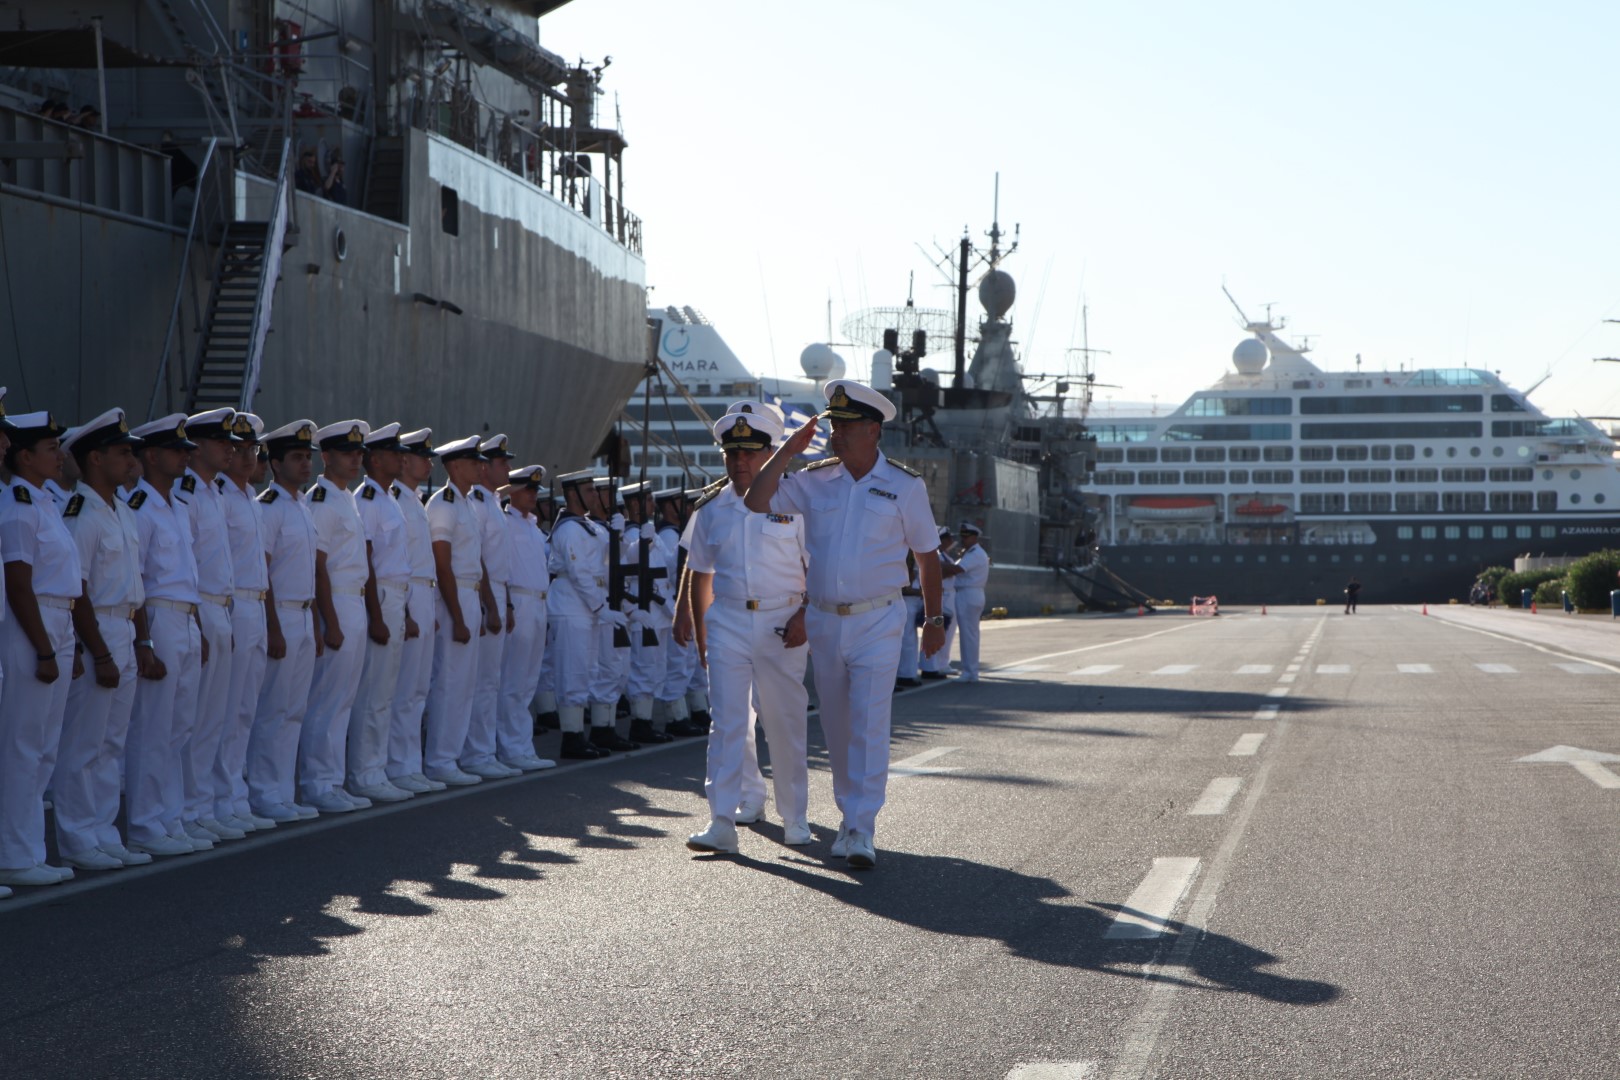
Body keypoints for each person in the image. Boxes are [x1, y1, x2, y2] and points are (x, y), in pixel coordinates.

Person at [744, 379, 944, 869]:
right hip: (826, 621)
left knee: (869, 725)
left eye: (846, 426)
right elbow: (755, 499)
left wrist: (935, 619)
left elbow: (927, 556)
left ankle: (860, 827)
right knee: (836, 727)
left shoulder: (904, 486)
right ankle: (847, 816)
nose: (836, 433)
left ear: (873, 430)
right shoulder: (813, 480)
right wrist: (787, 451)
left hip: (879, 618)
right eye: (833, 424)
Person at [677, 408, 811, 855]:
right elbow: (700, 573)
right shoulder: (711, 510)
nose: (739, 462)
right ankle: (721, 820)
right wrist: (701, 637)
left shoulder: (795, 501)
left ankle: (795, 818)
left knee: (783, 721)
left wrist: (805, 616)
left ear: (771, 454)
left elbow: (819, 567)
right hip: (729, 621)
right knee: (728, 723)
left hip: (781, 621)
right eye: (732, 453)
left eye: (750, 453)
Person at [53, 410, 149, 871]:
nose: (131, 460)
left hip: (124, 626)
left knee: (111, 743)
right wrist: (101, 652)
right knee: (83, 744)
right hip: (99, 633)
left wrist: (137, 641)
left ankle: (102, 831)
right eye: (122, 452)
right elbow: (79, 590)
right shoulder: (81, 513)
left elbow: (136, 582)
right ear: (95, 458)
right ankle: (77, 838)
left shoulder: (121, 511)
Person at [0, 410, 84, 886]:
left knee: (43, 749)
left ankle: (30, 850)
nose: (60, 455)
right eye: (51, 448)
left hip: (58, 619)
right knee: (21, 747)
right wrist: (45, 650)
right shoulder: (16, 506)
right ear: (25, 455)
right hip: (32, 625)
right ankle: (13, 853)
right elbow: (18, 584)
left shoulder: (44, 502)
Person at [124, 414, 208, 857]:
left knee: (179, 728)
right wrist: (144, 640)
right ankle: (144, 824)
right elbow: (136, 580)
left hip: (186, 619)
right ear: (151, 456)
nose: (185, 457)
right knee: (152, 728)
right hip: (158, 618)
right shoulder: (139, 507)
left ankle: (169, 818)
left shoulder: (177, 505)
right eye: (178, 451)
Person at [246, 420, 322, 823]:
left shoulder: (302, 506)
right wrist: (273, 627)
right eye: (296, 457)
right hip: (282, 616)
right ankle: (263, 793)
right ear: (275, 463)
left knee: (294, 710)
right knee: (273, 710)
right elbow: (265, 572)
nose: (306, 464)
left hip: (305, 616)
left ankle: (281, 792)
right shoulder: (269, 509)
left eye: (308, 456)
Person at [177, 408, 242, 846]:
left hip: (224, 609)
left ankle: (201, 808)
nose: (230, 449)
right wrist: (198, 622)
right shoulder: (186, 494)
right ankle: (186, 809)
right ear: (197, 446)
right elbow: (187, 567)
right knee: (192, 721)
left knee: (214, 719)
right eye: (221, 442)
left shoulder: (215, 493)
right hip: (197, 610)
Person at [300, 421, 372, 813]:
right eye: (347, 453)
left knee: (343, 700)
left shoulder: (346, 498)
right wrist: (330, 619)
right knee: (326, 701)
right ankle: (317, 783)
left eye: (359, 453)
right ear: (326, 457)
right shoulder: (323, 500)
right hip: (338, 603)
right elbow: (318, 565)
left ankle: (333, 780)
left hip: (354, 601)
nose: (356, 459)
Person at [346, 423, 415, 803]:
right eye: (393, 453)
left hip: (395, 597)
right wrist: (376, 615)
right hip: (381, 597)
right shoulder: (368, 499)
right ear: (375, 459)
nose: (401, 458)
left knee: (386, 693)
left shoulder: (388, 498)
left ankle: (377, 767)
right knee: (372, 694)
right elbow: (368, 561)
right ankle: (363, 774)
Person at [213, 412, 274, 834]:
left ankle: (234, 796)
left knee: (244, 711)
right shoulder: (217, 496)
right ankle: (217, 801)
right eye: (241, 449)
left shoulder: (250, 497)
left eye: (253, 449)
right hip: (232, 607)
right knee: (223, 711)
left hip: (256, 607)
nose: (249, 456)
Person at [422, 435, 488, 786]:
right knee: (448, 683)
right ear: (456, 466)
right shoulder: (444, 503)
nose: (482, 466)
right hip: (454, 597)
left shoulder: (466, 503)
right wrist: (459, 617)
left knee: (464, 683)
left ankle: (452, 756)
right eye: (474, 461)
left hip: (468, 593)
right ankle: (439, 761)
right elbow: (442, 564)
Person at [386, 428, 444, 794]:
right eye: (422, 457)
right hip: (407, 595)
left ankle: (410, 764)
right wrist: (408, 611)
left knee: (418, 690)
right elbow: (399, 561)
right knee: (403, 690)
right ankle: (398, 765)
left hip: (424, 594)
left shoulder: (414, 501)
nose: (427, 463)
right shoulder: (396, 500)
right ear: (404, 461)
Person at [459, 435, 519, 780]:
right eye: (501, 463)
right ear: (485, 469)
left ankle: (484, 750)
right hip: (482, 592)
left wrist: (505, 601)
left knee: (489, 682)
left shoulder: (491, 502)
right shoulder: (478, 504)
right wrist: (492, 606)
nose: (507, 468)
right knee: (478, 682)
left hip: (494, 590)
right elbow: (478, 558)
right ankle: (475, 753)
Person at [495, 465, 555, 772]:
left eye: (535, 491)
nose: (533, 496)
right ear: (512, 492)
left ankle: (522, 746)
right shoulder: (503, 521)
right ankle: (510, 748)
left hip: (538, 604)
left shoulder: (533, 526)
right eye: (526, 490)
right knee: (512, 681)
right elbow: (500, 568)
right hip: (517, 601)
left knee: (528, 682)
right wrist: (505, 605)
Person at [546, 469, 610, 760]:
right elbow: (579, 572)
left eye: (595, 490)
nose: (595, 495)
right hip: (573, 605)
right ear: (572, 494)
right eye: (589, 490)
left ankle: (578, 736)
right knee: (572, 672)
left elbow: (606, 562)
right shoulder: (570, 529)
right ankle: (570, 738)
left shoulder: (589, 527)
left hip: (587, 605)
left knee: (587, 671)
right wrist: (600, 605)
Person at [618, 480, 675, 745]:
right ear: (634, 504)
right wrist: (642, 542)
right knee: (644, 667)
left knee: (658, 668)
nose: (653, 504)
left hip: (662, 612)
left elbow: (668, 568)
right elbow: (628, 565)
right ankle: (640, 723)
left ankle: (648, 720)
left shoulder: (655, 533)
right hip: (644, 611)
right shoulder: (631, 535)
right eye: (648, 499)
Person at [919, 526, 964, 680]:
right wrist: (951, 568)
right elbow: (939, 571)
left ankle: (941, 664)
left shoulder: (943, 555)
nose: (950, 542)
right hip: (942, 597)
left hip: (949, 596)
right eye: (947, 539)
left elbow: (950, 569)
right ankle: (930, 666)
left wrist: (950, 568)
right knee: (938, 630)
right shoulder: (935, 555)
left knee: (948, 633)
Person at [954, 522, 990, 682]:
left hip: (968, 594)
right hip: (969, 593)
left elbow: (958, 570)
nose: (963, 540)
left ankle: (970, 672)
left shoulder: (975, 553)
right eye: (962, 537)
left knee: (968, 635)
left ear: (974, 537)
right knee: (969, 634)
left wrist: (936, 569)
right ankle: (970, 670)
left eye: (966, 537)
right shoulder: (972, 552)